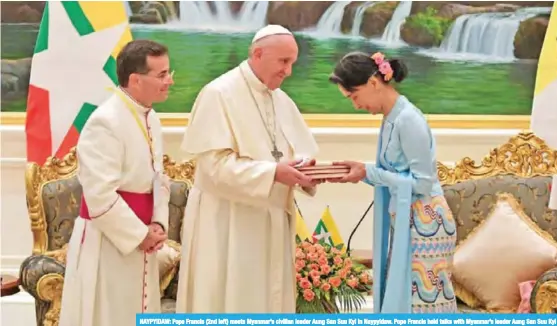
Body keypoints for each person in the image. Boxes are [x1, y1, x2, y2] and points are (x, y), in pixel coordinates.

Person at [175, 25, 320, 313]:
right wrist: (273, 173)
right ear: (257, 54)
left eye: (292, 62)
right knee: (230, 300)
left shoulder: (281, 100)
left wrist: (307, 170)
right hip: (228, 221)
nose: (288, 71)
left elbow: (297, 151)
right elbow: (213, 167)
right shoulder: (218, 93)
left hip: (273, 219)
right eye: (283, 62)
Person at [327, 51, 458, 313]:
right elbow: (396, 171)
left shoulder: (408, 119)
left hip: (426, 223)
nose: (355, 105)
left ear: (374, 83)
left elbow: (421, 183)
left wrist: (367, 172)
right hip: (409, 220)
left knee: (423, 306)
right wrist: (363, 171)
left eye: (354, 97)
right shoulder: (391, 118)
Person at [59, 39, 175, 326]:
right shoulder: (106, 122)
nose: (169, 81)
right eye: (161, 75)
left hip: (142, 236)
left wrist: (158, 223)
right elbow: (99, 195)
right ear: (135, 80)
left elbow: (159, 178)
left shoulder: (152, 118)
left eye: (169, 72)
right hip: (109, 241)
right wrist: (139, 234)